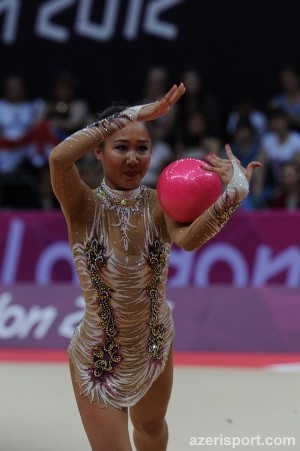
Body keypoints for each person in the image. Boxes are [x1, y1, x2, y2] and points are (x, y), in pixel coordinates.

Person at [49, 83, 260, 451]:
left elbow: (189, 240)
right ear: (97, 150)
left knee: (151, 431)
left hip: (154, 345)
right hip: (99, 360)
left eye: (142, 148)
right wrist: (133, 115)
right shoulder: (82, 206)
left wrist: (234, 193)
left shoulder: (159, 202)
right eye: (121, 147)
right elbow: (58, 159)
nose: (133, 158)